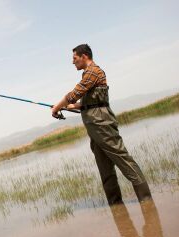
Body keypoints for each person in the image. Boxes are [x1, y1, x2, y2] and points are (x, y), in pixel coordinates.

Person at [51, 44, 152, 205]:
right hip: (93, 123)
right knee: (104, 167)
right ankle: (116, 206)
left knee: (123, 160)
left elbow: (74, 94)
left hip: (101, 122)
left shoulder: (93, 71)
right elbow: (92, 100)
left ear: (84, 56)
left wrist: (57, 107)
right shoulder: (87, 75)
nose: (72, 62)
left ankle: (147, 202)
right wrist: (74, 106)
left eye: (74, 58)